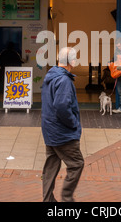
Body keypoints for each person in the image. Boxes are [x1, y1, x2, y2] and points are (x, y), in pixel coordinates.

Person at [41, 47, 84, 202]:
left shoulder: (51, 75)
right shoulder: (64, 80)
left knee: (51, 166)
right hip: (62, 132)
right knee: (77, 164)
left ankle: (48, 200)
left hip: (50, 129)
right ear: (72, 61)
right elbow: (61, 106)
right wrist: (73, 123)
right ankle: (67, 198)